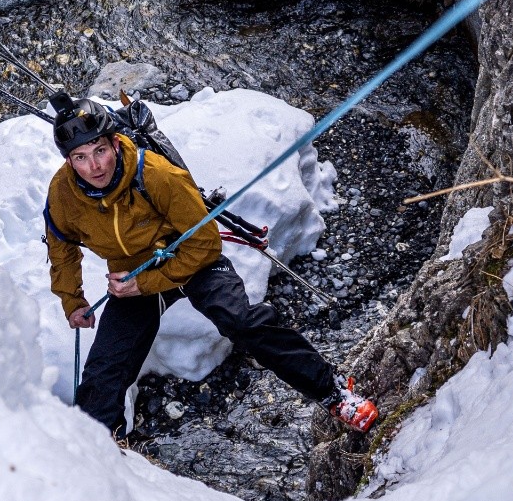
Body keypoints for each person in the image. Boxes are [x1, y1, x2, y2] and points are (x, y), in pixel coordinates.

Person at [42, 96, 378, 437]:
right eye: (80, 157)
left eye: (99, 150)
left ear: (115, 143)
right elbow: (61, 245)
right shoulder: (63, 194)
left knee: (243, 321)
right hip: (135, 273)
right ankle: (104, 455)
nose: (94, 166)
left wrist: (146, 284)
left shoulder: (157, 175)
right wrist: (73, 300)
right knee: (104, 371)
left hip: (191, 260)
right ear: (69, 162)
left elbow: (205, 244)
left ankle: (333, 391)